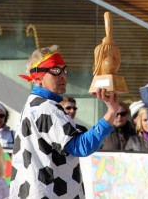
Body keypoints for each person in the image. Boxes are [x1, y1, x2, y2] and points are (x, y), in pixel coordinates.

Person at [10, 44, 119, 199]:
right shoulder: (45, 108)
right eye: (55, 70)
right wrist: (111, 113)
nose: (63, 75)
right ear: (38, 78)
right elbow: (81, 147)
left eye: (64, 70)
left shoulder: (34, 104)